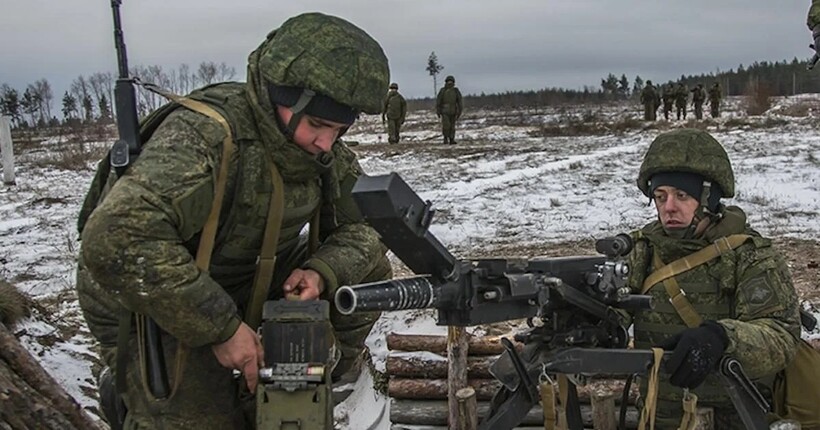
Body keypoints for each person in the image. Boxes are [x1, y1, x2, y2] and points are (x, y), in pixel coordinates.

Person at [75, 12, 392, 429]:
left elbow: (372, 223)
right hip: (151, 294)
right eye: (317, 124)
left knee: (367, 271)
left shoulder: (319, 151)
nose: (326, 142)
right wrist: (221, 328)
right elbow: (115, 240)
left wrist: (322, 272)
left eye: (339, 129)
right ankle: (133, 392)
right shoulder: (205, 138)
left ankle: (298, 380)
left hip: (245, 277)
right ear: (281, 97)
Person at [627, 129, 800, 429]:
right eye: (660, 196)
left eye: (682, 195)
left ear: (710, 198)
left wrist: (722, 338)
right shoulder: (641, 250)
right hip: (658, 417)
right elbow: (609, 306)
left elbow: (781, 337)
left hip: (734, 419)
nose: (668, 207)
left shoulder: (748, 255)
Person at [435, 75, 463, 145]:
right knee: (446, 126)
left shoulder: (456, 91)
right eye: (448, 81)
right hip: (444, 111)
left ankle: (451, 139)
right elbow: (439, 101)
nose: (449, 83)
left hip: (453, 111)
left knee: (452, 126)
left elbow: (459, 101)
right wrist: (438, 111)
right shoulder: (443, 90)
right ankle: (445, 138)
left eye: (451, 81)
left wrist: (460, 111)